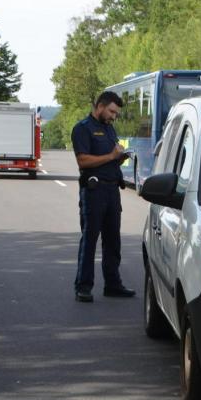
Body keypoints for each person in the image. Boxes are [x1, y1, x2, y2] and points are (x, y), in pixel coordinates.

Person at [71, 91, 136, 302]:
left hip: (111, 191)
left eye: (116, 113)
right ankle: (83, 286)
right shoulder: (82, 129)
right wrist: (111, 156)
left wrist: (120, 157)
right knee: (90, 240)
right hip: (94, 191)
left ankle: (113, 284)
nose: (113, 116)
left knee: (113, 241)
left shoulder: (109, 129)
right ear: (99, 106)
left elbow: (110, 160)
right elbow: (83, 161)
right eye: (111, 111)